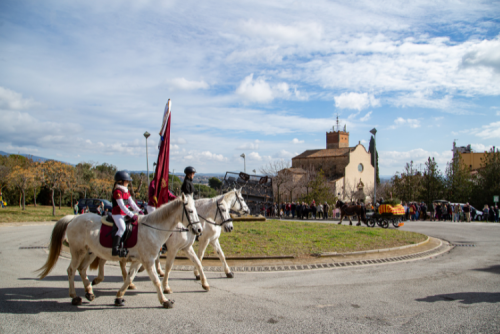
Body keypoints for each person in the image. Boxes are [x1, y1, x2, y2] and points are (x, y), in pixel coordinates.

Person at [111, 171, 143, 257]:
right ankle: (115, 248)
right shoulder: (117, 192)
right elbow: (122, 206)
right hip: (117, 214)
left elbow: (131, 203)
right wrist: (132, 215)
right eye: (127, 181)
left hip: (125, 213)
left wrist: (139, 211)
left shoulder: (126, 191)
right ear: (121, 181)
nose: (128, 183)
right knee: (122, 228)